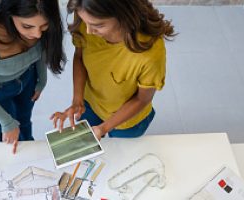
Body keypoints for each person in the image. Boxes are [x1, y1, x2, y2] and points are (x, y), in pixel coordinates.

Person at [51, 0, 176, 139]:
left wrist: (103, 128)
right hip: (90, 104)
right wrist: (77, 100)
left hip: (127, 121)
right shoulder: (87, 14)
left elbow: (142, 99)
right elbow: (79, 57)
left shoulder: (150, 52)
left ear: (123, 15)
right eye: (85, 22)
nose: (88, 31)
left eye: (98, 25)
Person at [0, 0, 65, 153]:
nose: (37, 34)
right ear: (10, 14)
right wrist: (6, 122)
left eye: (44, 27)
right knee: (15, 143)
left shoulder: (38, 30)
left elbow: (40, 51)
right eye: (27, 26)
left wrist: (41, 80)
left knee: (24, 124)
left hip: (27, 81)